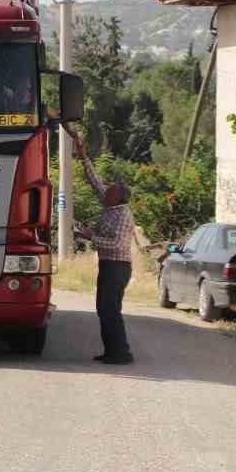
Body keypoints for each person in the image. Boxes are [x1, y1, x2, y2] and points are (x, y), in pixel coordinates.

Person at [66, 125, 136, 365]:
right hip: (109, 266)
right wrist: (83, 153)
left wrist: (89, 236)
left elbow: (117, 244)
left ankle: (121, 352)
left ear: (119, 197)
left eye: (110, 191)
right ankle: (113, 351)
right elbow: (95, 180)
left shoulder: (123, 215)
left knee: (109, 309)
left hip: (118, 268)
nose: (104, 191)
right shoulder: (111, 205)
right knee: (104, 309)